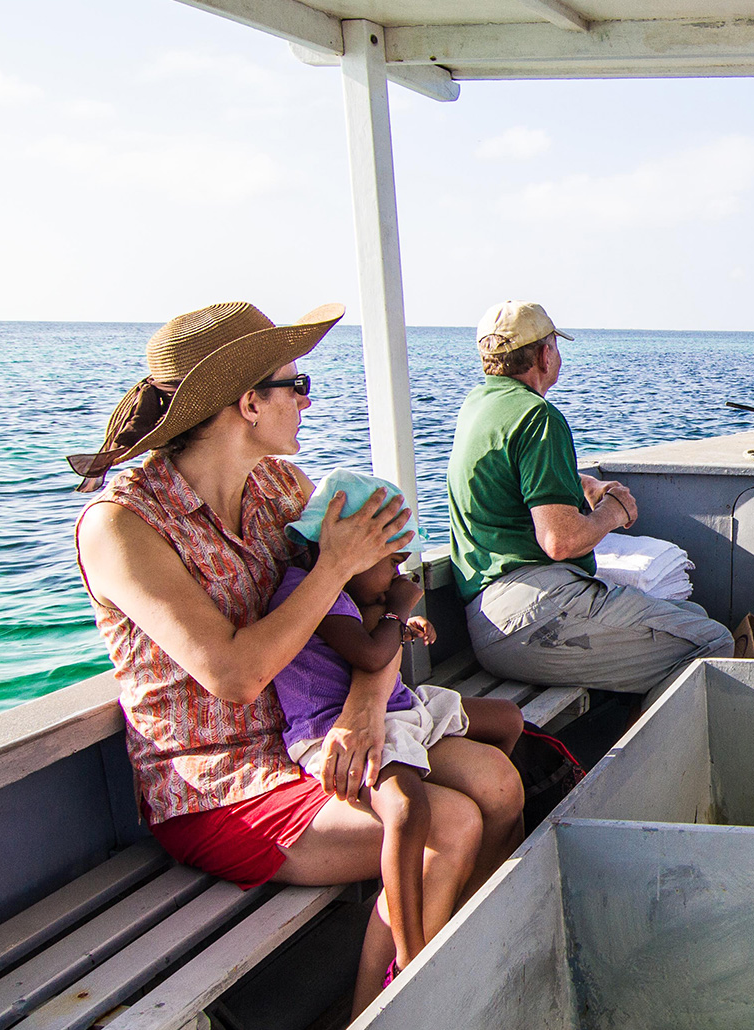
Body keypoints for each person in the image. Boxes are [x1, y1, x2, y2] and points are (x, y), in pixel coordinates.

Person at [70, 301, 525, 1014]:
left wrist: (364, 705)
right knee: (454, 823)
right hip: (222, 783)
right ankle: (390, 1011)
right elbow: (232, 673)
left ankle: (464, 981)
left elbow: (376, 596)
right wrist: (331, 565)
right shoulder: (123, 526)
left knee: (499, 784)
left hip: (313, 733)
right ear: (249, 403)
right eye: (298, 385)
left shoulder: (279, 489)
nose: (309, 400)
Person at [270, 470, 520, 974]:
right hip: (336, 733)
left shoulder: (357, 595)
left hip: (400, 711)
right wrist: (399, 610)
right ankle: (410, 955)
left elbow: (374, 638)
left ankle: (469, 904)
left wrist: (400, 622)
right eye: (391, 561)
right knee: (406, 809)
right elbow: (365, 653)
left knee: (507, 720)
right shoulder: (306, 591)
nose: (398, 575)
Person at [449, 300, 733, 698]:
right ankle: (641, 760)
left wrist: (584, 485)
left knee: (691, 617)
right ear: (545, 355)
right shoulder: (537, 416)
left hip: (493, 615)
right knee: (713, 642)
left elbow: (510, 477)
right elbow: (560, 541)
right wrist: (612, 513)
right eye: (555, 347)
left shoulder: (480, 405)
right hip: (534, 618)